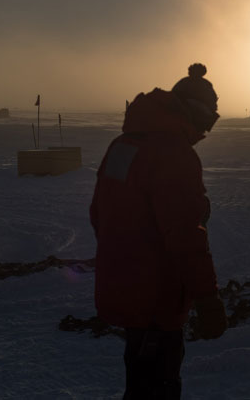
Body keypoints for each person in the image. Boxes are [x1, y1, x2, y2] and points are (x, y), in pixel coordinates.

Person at [90, 63, 228, 399]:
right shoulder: (174, 153)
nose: (205, 133)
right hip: (156, 298)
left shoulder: (123, 145)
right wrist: (208, 299)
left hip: (121, 285)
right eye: (208, 121)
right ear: (196, 114)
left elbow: (101, 212)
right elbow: (184, 236)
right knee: (157, 387)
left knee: (138, 381)